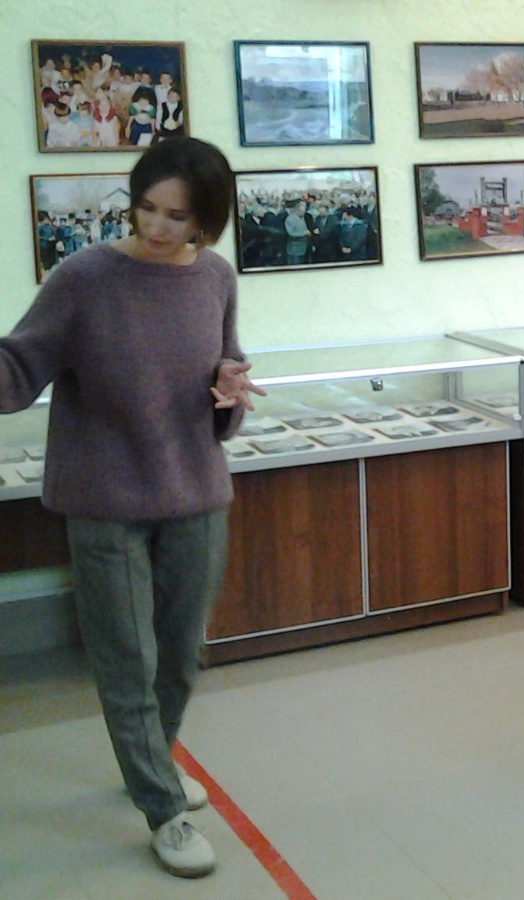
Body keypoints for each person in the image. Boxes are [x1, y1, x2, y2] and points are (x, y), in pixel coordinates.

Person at [0, 137, 265, 879]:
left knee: (179, 657)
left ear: (206, 219)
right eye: (146, 208)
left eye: (176, 216)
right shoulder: (84, 277)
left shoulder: (216, 278)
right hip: (104, 501)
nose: (156, 227)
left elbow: (225, 372)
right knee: (128, 663)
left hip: (196, 494)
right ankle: (162, 808)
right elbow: (18, 368)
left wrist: (228, 394)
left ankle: (150, 761)